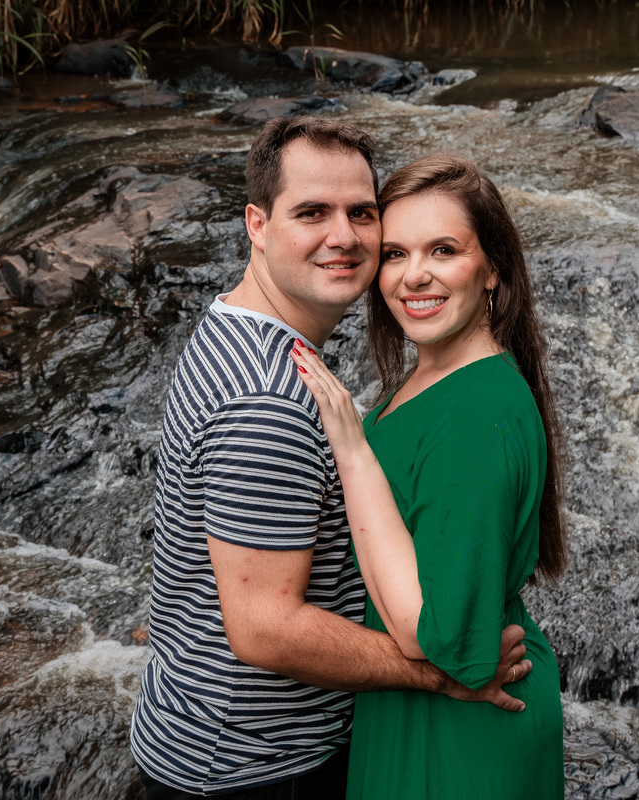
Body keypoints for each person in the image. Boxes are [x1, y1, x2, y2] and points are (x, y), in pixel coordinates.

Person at [129, 118, 532, 800]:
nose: (343, 236)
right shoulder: (266, 399)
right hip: (253, 765)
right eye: (311, 212)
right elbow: (265, 629)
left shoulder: (233, 323)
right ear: (257, 224)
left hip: (209, 733)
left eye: (361, 213)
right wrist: (439, 673)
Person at [291, 153, 567, 799]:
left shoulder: (476, 412)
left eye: (443, 250)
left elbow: (427, 632)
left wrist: (353, 450)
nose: (414, 276)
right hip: (424, 712)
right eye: (394, 254)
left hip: (461, 733)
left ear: (493, 268)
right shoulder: (434, 371)